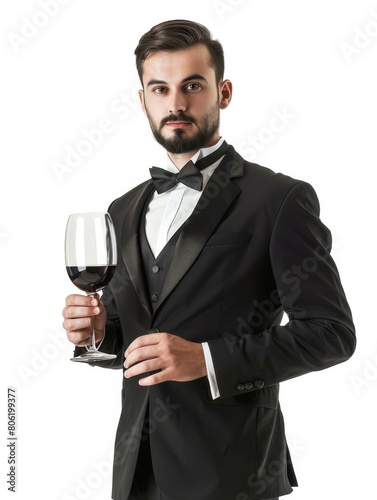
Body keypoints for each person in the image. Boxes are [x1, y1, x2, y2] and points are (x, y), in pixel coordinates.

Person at [62, 19, 356, 500]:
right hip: (135, 471)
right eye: (160, 88)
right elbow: (132, 339)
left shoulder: (279, 200)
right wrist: (98, 333)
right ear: (143, 100)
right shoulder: (122, 208)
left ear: (223, 92)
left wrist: (207, 359)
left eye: (192, 86)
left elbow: (331, 333)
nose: (175, 103)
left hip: (234, 473)